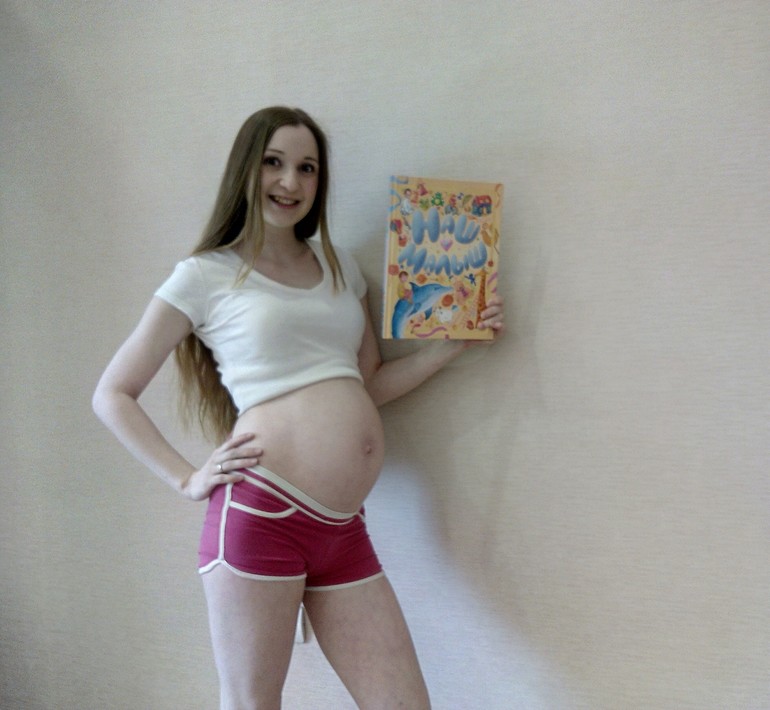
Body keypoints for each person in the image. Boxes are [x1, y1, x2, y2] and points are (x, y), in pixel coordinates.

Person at [92, 106, 503, 710]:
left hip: (343, 527)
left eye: (307, 168)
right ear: (246, 169)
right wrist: (187, 478)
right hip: (262, 515)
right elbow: (112, 394)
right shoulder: (206, 274)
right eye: (274, 163)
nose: (290, 182)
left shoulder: (340, 268)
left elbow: (367, 383)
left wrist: (450, 348)